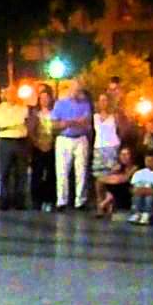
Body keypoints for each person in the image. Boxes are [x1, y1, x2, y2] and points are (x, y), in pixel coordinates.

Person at [51, 80, 93, 211]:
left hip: (80, 138)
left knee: (81, 171)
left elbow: (86, 123)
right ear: (69, 90)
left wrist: (67, 123)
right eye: (74, 89)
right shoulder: (60, 104)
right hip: (64, 139)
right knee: (62, 171)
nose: (76, 92)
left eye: (79, 90)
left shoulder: (85, 104)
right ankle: (61, 201)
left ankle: (80, 201)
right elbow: (55, 124)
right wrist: (74, 122)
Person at [128, 151, 153, 225]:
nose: (148, 163)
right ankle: (137, 213)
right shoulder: (139, 173)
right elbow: (133, 187)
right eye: (146, 161)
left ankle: (147, 214)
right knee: (138, 194)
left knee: (149, 197)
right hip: (139, 192)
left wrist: (148, 190)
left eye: (151, 161)